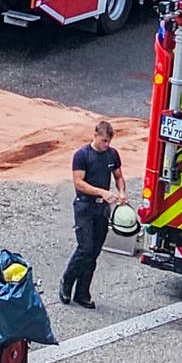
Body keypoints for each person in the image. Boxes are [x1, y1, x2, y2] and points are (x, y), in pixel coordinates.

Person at [60, 120, 126, 308]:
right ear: (95, 135)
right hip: (85, 207)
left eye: (108, 141)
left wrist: (121, 192)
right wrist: (101, 192)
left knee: (94, 252)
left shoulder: (112, 154)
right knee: (85, 248)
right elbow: (79, 182)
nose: (106, 145)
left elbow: (119, 176)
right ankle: (67, 281)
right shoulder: (82, 155)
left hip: (101, 209)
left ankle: (83, 292)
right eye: (103, 140)